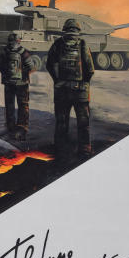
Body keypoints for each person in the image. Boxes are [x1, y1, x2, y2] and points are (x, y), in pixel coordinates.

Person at [46, 18, 94, 163]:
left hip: (62, 90)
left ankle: (60, 149)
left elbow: (49, 64)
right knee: (83, 122)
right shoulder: (83, 44)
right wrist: (84, 83)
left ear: (65, 29)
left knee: (61, 121)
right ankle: (84, 149)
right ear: (78, 30)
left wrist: (57, 81)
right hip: (80, 91)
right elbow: (90, 69)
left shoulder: (58, 43)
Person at [0, 32, 35, 140]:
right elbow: (32, 67)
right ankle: (22, 127)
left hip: (8, 83)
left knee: (9, 105)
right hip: (22, 83)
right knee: (23, 105)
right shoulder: (24, 52)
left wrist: (7, 75)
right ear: (19, 41)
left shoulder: (3, 51)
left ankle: (10, 126)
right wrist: (23, 74)